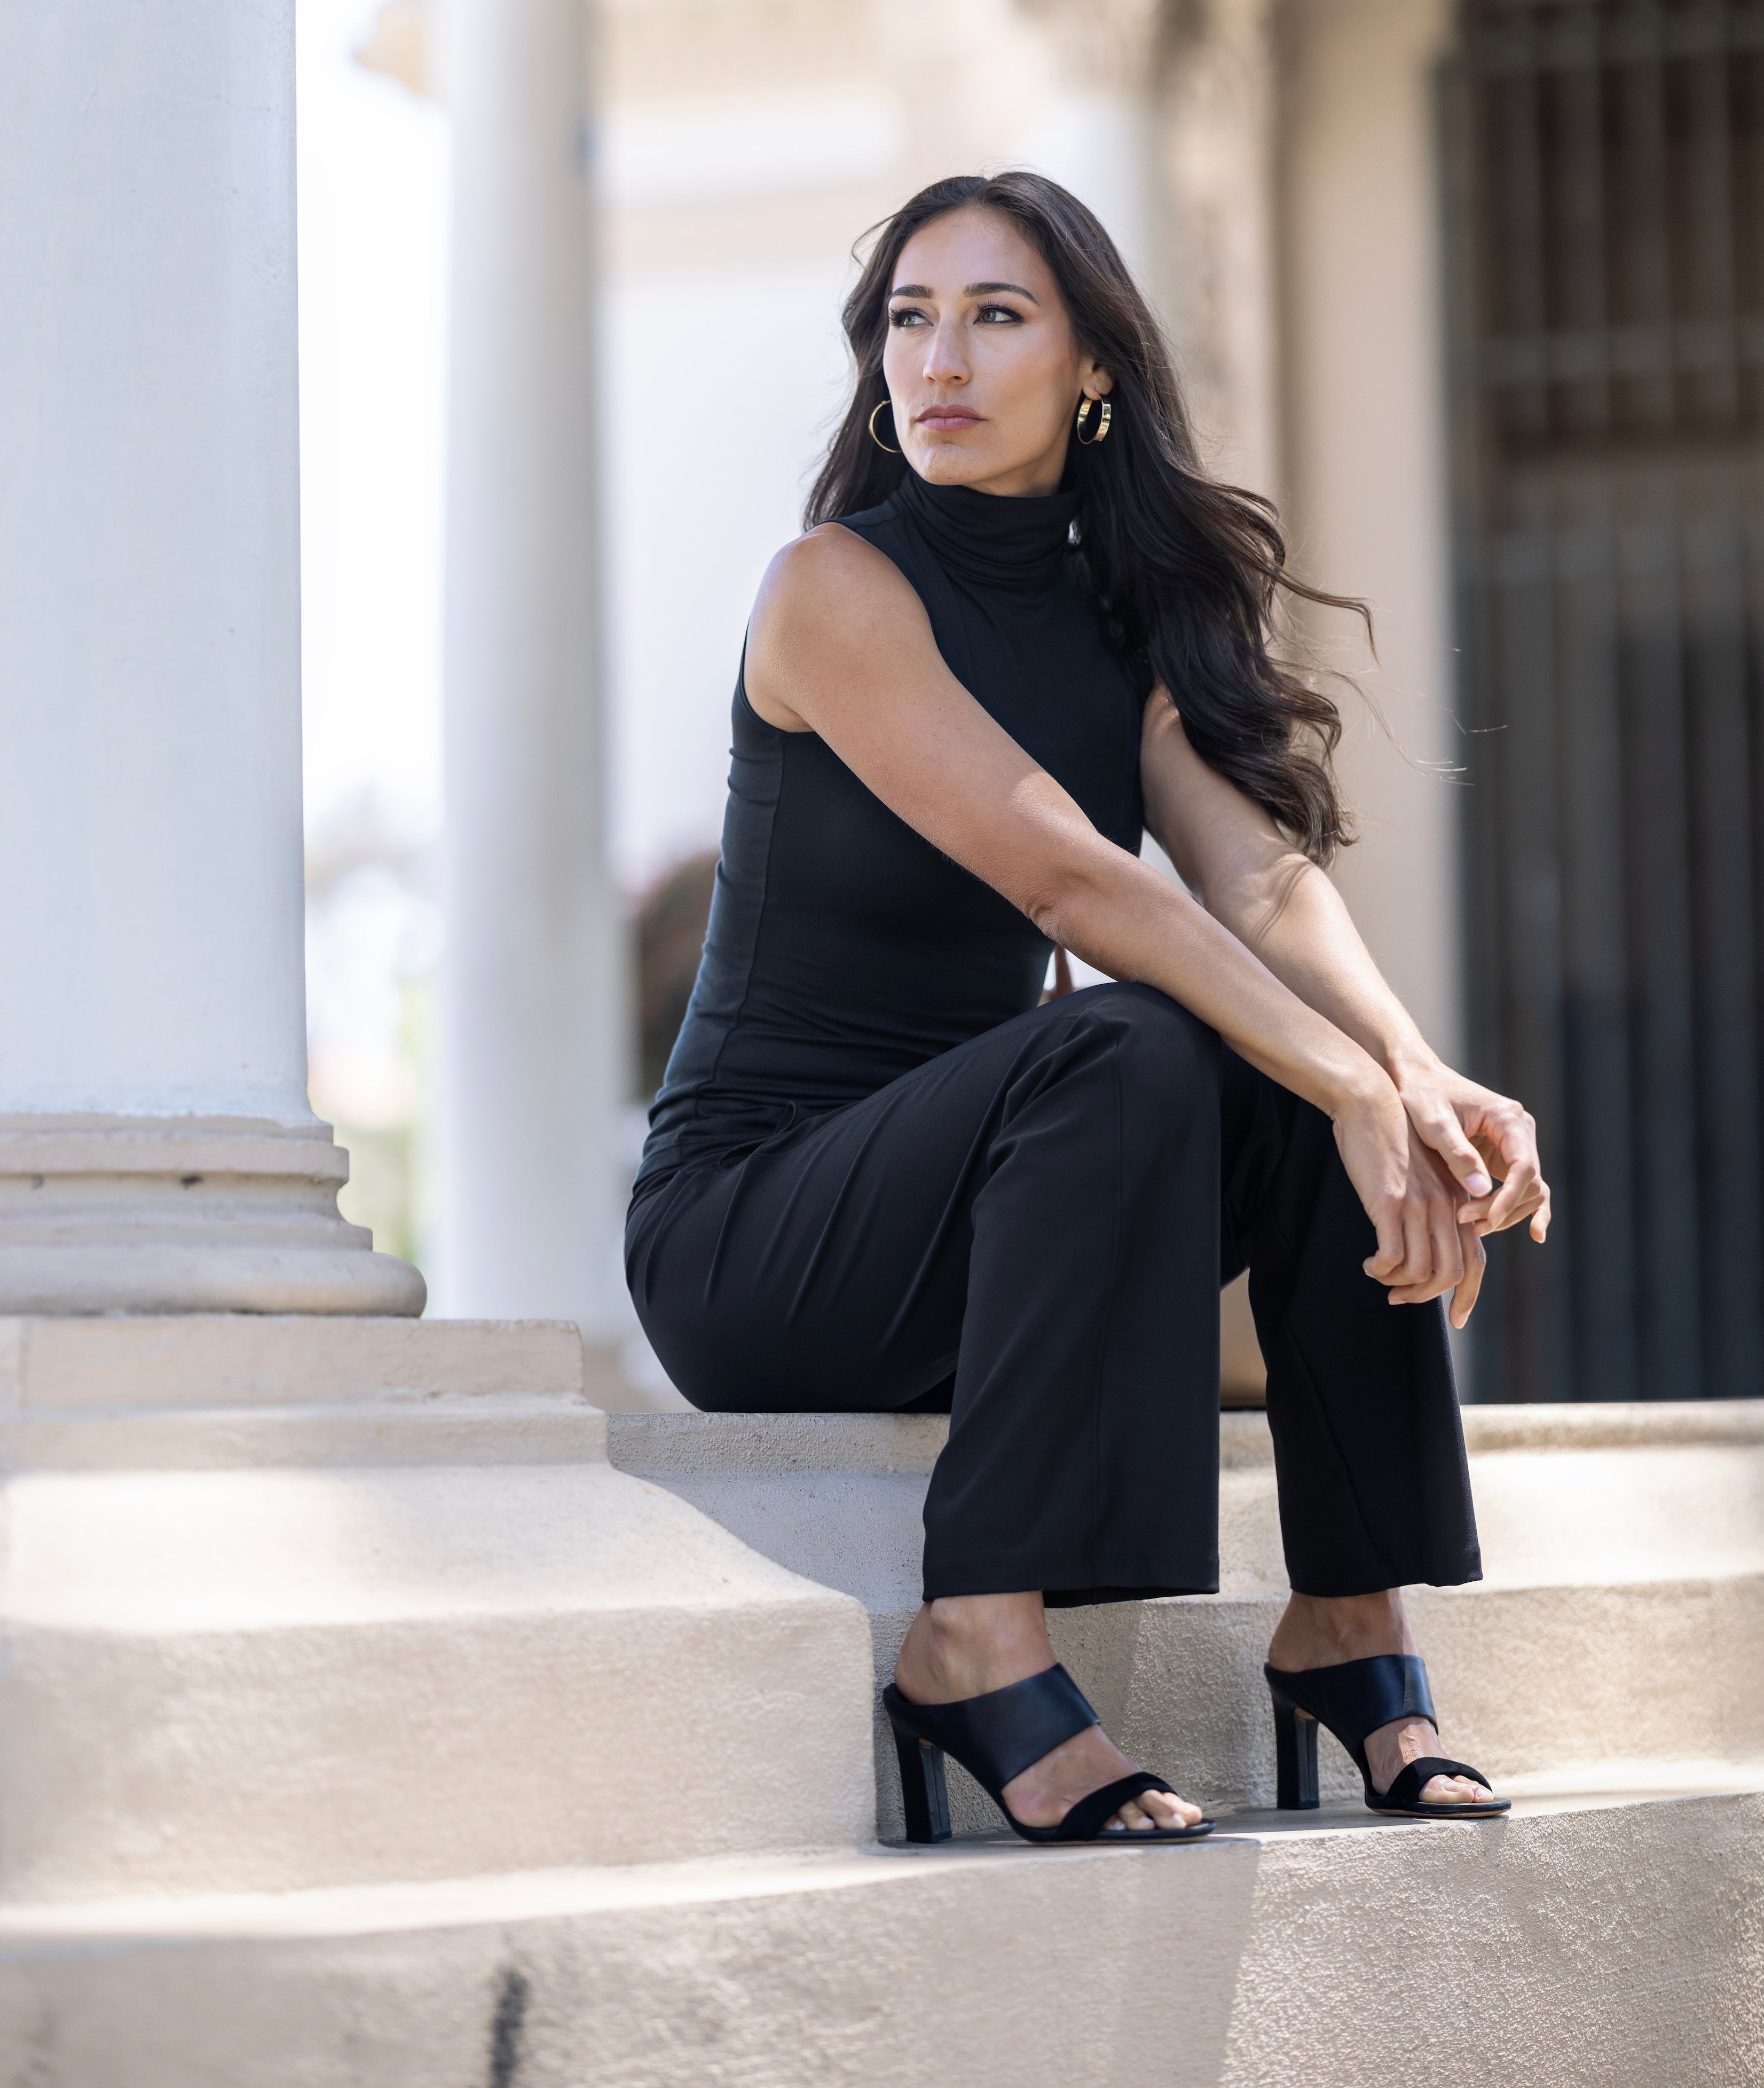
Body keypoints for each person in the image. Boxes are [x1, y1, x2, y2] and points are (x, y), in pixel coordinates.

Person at [628, 171, 1550, 1844]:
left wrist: (1413, 1077)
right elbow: (1079, 887)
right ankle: (977, 1632)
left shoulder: (1121, 623)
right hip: (757, 1234)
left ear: (1093, 369)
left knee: (1272, 1078)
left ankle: (1354, 1621)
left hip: (999, 1210)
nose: (940, 361)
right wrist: (1347, 1078)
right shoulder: (831, 589)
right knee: (1145, 1037)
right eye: (911, 319)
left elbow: (1257, 882)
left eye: (995, 317)